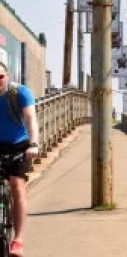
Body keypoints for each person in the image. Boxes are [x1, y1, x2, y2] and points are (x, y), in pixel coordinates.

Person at [0, 62, 39, 257]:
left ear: (6, 76)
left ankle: (18, 240)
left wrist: (33, 144)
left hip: (18, 145)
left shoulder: (20, 93)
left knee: (17, 185)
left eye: (0, 77)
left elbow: (31, 119)